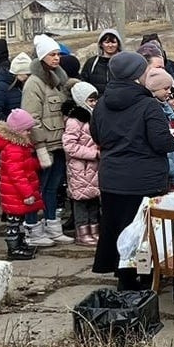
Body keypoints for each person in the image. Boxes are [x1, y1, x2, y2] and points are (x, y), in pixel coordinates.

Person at [90, 51, 174, 291]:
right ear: (137, 75)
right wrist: (172, 140)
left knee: (118, 227)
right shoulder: (148, 104)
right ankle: (147, 278)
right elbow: (161, 142)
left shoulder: (102, 104)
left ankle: (125, 278)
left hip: (112, 177)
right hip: (144, 179)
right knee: (144, 231)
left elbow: (97, 135)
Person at [22, 34, 72, 247]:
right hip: (43, 146)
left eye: (58, 54)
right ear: (42, 57)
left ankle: (53, 226)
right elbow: (31, 117)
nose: (57, 58)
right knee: (37, 188)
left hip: (59, 143)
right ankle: (32, 228)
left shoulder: (58, 80)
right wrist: (39, 145)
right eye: (52, 54)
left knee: (52, 187)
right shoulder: (34, 83)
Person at [0, 108, 41, 260]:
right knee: (13, 221)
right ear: (17, 131)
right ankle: (13, 248)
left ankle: (19, 243)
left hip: (14, 191)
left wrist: (36, 163)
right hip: (15, 192)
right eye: (26, 130)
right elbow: (17, 174)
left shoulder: (19, 147)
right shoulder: (14, 149)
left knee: (18, 219)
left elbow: (24, 166)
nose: (29, 133)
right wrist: (27, 193)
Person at [63, 81, 102, 247]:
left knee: (93, 200)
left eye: (95, 100)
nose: (94, 103)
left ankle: (94, 229)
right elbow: (69, 146)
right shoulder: (74, 121)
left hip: (93, 168)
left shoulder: (95, 117)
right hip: (80, 168)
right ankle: (82, 231)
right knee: (81, 201)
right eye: (90, 100)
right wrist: (93, 153)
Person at [81, 29, 123, 96]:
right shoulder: (91, 63)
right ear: (101, 44)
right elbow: (84, 83)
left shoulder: (125, 62)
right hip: (97, 100)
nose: (110, 45)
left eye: (113, 42)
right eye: (107, 42)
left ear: (118, 44)